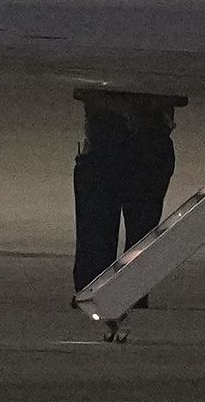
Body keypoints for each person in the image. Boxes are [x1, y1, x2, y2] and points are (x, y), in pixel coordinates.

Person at [72, 90, 187, 301]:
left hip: (114, 135)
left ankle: (95, 293)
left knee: (98, 227)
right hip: (145, 134)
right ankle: (126, 293)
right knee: (140, 229)